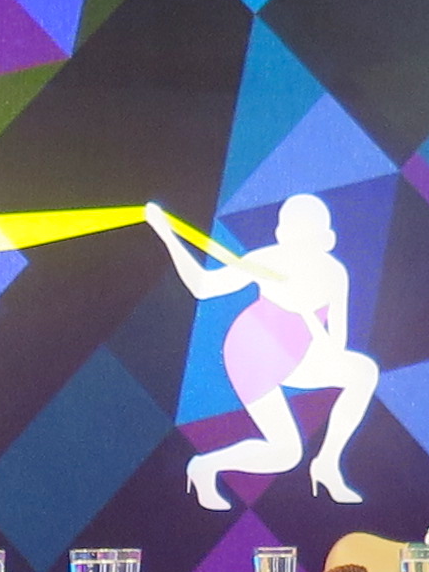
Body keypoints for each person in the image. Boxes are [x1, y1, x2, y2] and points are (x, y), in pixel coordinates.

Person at [148, 193, 380, 511]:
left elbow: (335, 346)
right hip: (252, 355)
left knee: (363, 372)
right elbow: (203, 287)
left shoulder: (335, 273)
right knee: (287, 453)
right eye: (295, 238)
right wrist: (165, 233)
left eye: (310, 239)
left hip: (298, 354)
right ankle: (205, 466)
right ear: (281, 236)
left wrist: (307, 314)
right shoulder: (266, 260)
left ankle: (326, 464)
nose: (301, 250)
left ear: (327, 240)